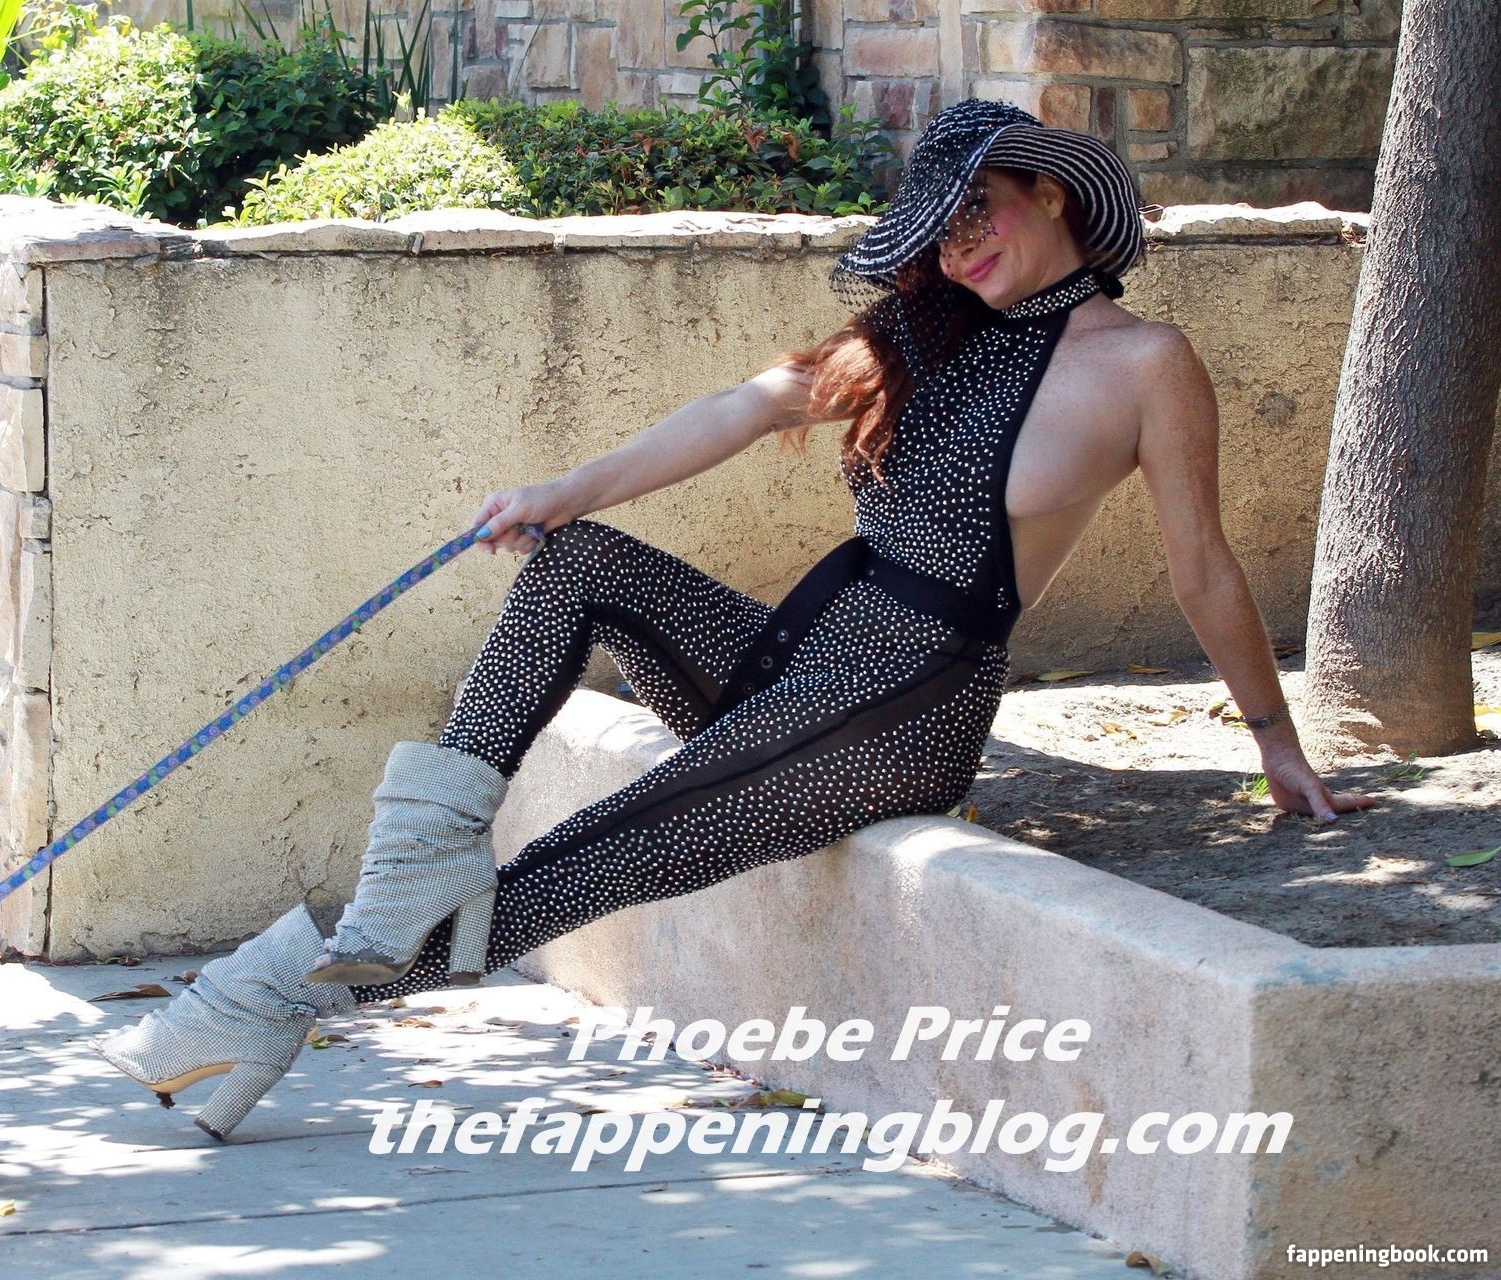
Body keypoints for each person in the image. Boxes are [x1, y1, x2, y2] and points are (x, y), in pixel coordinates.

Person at [93, 99, 1375, 1140]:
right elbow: (745, 405)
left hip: (902, 713)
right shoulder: (920, 335)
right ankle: (409, 872)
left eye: (976, 211)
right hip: (799, 660)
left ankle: (257, 1006)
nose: (958, 250)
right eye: (938, 234)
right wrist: (563, 489)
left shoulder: (1146, 364)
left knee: (585, 859)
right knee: (575, 561)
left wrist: (1275, 740)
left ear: (1046, 190)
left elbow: (1204, 569)